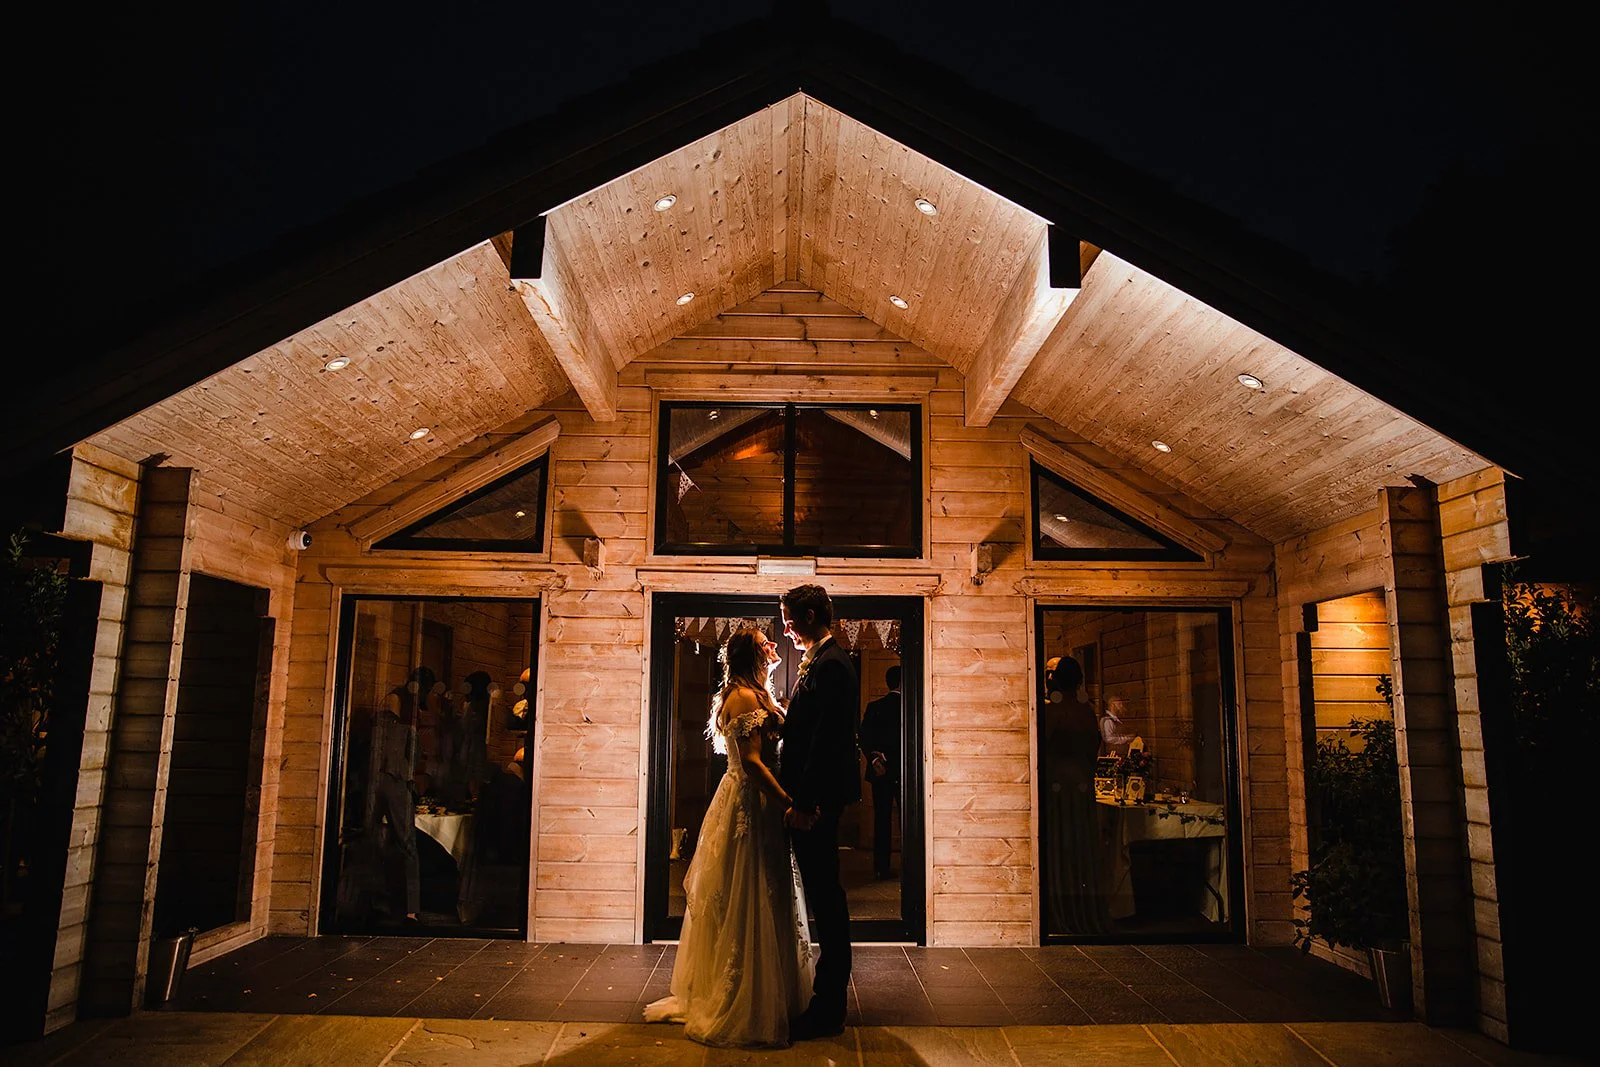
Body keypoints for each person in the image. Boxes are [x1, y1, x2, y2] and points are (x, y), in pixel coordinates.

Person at [644, 627, 813, 1047]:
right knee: (750, 888)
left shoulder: (757, 693)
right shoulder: (742, 698)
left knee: (765, 888)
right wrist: (786, 802)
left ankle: (770, 989)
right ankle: (744, 998)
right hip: (749, 803)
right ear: (749, 655)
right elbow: (753, 763)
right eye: (764, 642)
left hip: (750, 800)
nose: (773, 646)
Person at [778, 583, 861, 1039]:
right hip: (812, 799)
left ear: (810, 616)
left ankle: (829, 1008)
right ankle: (827, 1002)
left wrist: (804, 804)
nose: (787, 628)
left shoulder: (832, 666)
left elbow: (825, 744)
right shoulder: (821, 661)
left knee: (828, 903)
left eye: (791, 618)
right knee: (825, 899)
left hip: (817, 803)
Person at [1041, 655, 1110, 935]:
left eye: (1050, 674)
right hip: (1080, 789)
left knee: (1059, 848)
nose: (1047, 680)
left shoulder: (1052, 711)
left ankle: (1060, 912)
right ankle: (1079, 911)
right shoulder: (1086, 711)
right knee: (1077, 849)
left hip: (1057, 791)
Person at [368, 666, 431, 926]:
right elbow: (415, 761)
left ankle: (386, 903)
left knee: (376, 842)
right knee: (404, 846)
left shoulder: (379, 725)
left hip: (379, 782)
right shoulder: (404, 725)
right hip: (392, 782)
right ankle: (408, 909)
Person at [859, 665, 902, 880]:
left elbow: (864, 736)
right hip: (904, 772)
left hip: (880, 771)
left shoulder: (875, 706)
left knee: (881, 819)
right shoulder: (909, 706)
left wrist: (875, 758)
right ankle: (912, 866)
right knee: (909, 820)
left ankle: (880, 867)